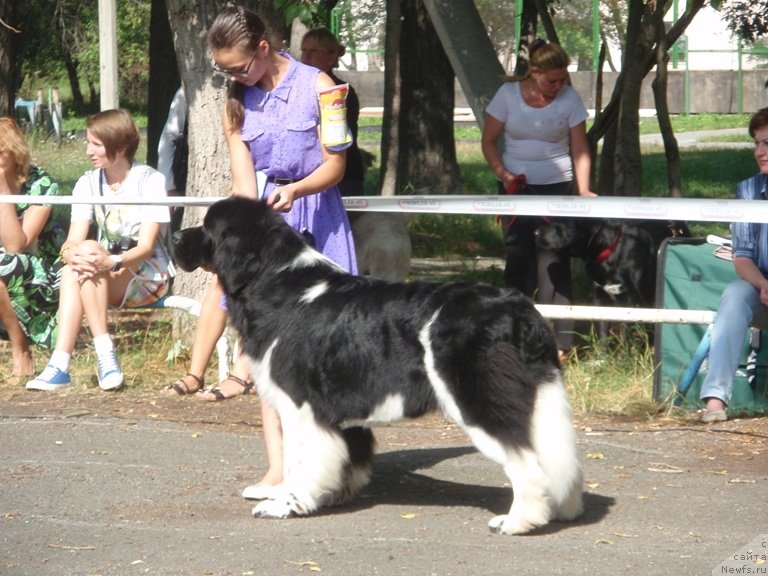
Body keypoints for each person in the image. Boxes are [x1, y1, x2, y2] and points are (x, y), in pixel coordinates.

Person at [164, 5, 358, 496]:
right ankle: (279, 469)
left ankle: (340, 467)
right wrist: (241, 238)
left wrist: (296, 191)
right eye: (224, 69)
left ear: (264, 50)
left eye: (238, 67)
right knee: (269, 353)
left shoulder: (322, 87)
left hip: (317, 219)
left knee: (325, 356)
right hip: (268, 232)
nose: (231, 76)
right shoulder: (235, 101)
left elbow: (336, 166)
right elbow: (243, 184)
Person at [26, 109, 173, 392]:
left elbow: (145, 247)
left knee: (84, 262)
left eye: (95, 144)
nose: (87, 151)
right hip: (101, 269)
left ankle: (63, 364)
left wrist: (111, 260)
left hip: (146, 271)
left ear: (118, 147)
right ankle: (97, 359)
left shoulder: (150, 180)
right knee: (76, 266)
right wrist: (72, 254)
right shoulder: (88, 182)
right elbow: (71, 242)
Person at [481, 39, 596, 361]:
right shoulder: (507, 96)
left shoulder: (570, 99)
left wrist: (584, 190)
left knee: (554, 262)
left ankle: (561, 344)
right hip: (515, 189)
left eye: (563, 80)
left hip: (557, 188)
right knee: (518, 260)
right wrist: (503, 173)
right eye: (552, 81)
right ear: (534, 73)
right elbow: (489, 141)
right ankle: (513, 337)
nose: (558, 86)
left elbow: (580, 148)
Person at [697, 108, 768, 423]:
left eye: (767, 143)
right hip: (762, 288)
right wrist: (763, 285)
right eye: (757, 144)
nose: (760, 152)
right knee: (735, 296)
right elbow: (742, 257)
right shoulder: (748, 191)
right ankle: (715, 400)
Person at [0, 117, 68, 377]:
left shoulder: (42, 184)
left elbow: (17, 246)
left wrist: (4, 192)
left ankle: (21, 347)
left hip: (45, 270)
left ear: (15, 152)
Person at [300, 27, 365, 197]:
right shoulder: (296, 90)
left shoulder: (341, 93)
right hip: (305, 178)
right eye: (304, 50)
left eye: (313, 51)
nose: (305, 57)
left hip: (343, 179)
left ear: (331, 57)